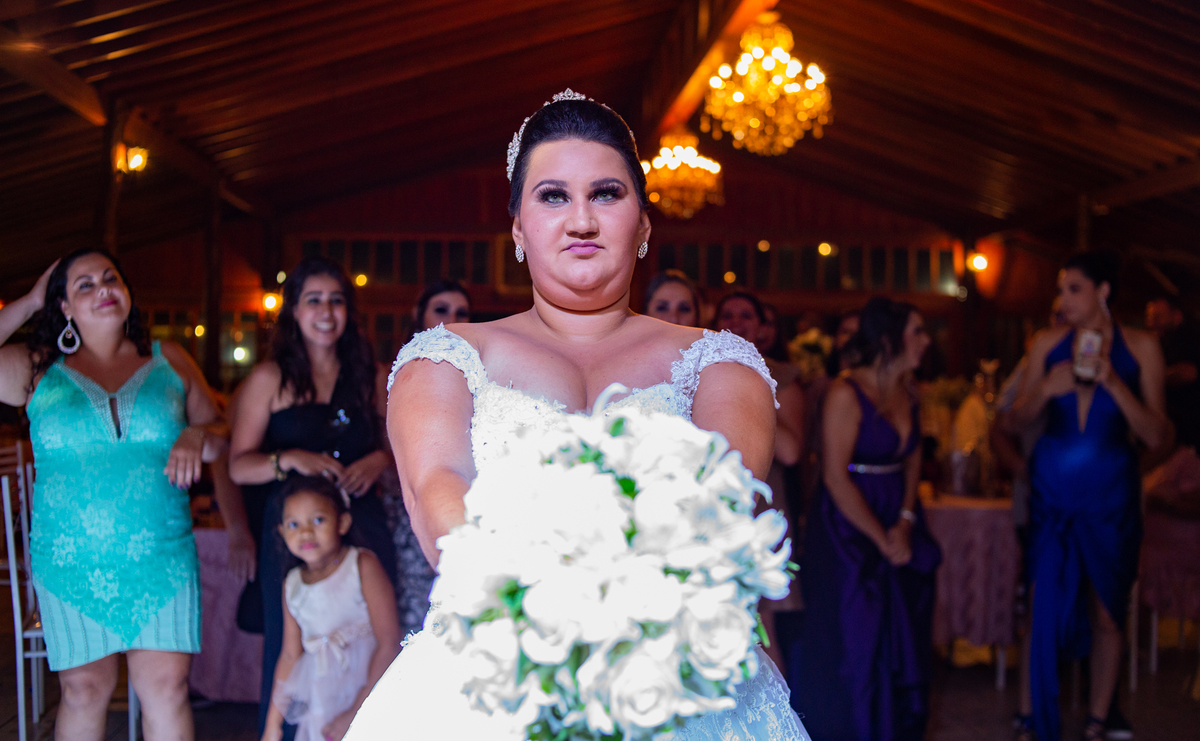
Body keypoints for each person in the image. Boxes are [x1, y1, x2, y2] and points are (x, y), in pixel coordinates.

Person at [345, 91, 809, 740]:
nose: (582, 220)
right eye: (554, 196)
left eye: (607, 194)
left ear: (644, 225)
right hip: (488, 676)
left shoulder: (719, 362)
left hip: (680, 676)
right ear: (517, 228)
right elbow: (436, 491)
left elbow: (722, 500)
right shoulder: (446, 358)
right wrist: (541, 613)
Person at [0, 249, 226, 741]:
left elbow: (219, 430)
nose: (103, 288)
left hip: (161, 555)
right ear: (63, 306)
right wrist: (31, 301)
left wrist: (196, 434)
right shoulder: (37, 368)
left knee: (167, 689)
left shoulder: (169, 360)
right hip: (70, 561)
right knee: (83, 690)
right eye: (84, 285)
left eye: (111, 278)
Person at [228, 257, 398, 735]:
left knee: (376, 634)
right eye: (314, 300)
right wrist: (290, 459)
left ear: (349, 311)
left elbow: (401, 450)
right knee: (291, 644)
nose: (326, 311)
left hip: (359, 523)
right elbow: (238, 465)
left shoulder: (371, 375)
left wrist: (380, 460)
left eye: (336, 301)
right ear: (294, 312)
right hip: (295, 533)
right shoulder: (270, 379)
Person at [1008, 251, 1169, 741]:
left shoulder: (1142, 347)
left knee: (1107, 610)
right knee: (1041, 604)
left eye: (1073, 289)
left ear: (1103, 291)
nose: (1063, 300)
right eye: (1060, 291)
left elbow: (1158, 435)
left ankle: (1097, 720)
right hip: (1052, 493)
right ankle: (1030, 717)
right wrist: (1045, 389)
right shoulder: (1046, 344)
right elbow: (1014, 421)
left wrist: (1115, 385)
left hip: (1110, 498)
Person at [789, 296, 942, 741]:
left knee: (903, 638)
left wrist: (905, 521)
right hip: (848, 531)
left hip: (898, 518)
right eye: (917, 332)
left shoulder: (907, 390)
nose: (926, 341)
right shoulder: (845, 392)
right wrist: (881, 538)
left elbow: (912, 459)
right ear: (890, 340)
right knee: (856, 644)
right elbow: (835, 478)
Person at [263, 476, 400, 741]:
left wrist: (356, 712)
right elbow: (290, 655)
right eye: (294, 524)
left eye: (318, 520)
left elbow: (389, 642)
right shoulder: (292, 584)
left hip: (369, 690)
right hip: (321, 700)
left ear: (342, 522)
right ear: (281, 531)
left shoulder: (361, 565)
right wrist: (272, 725)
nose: (305, 533)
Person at [715, 291, 805, 668]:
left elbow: (791, 451)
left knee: (760, 625)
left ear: (762, 326)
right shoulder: (701, 368)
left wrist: (750, 388)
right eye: (728, 314)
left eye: (746, 315)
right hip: (712, 503)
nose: (736, 322)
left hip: (763, 505)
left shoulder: (781, 376)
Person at [385, 279, 471, 635]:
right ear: (418, 315)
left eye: (461, 312)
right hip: (406, 504)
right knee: (413, 607)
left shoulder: (481, 367)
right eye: (441, 310)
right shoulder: (404, 369)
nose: (451, 319)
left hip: (463, 503)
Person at [1146, 295, 1199, 449]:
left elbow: (1188, 373)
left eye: (1157, 317)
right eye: (1149, 318)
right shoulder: (1161, 342)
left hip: (1189, 430)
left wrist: (1153, 379)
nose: (1151, 323)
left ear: (1177, 316)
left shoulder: (1188, 338)